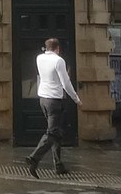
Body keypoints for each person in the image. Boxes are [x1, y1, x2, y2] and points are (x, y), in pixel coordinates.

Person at [25, 37, 81, 177]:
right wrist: (76, 99)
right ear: (58, 48)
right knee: (52, 133)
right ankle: (34, 158)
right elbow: (65, 83)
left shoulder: (39, 58)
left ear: (46, 47)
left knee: (56, 132)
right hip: (55, 101)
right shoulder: (58, 60)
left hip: (43, 99)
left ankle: (58, 165)